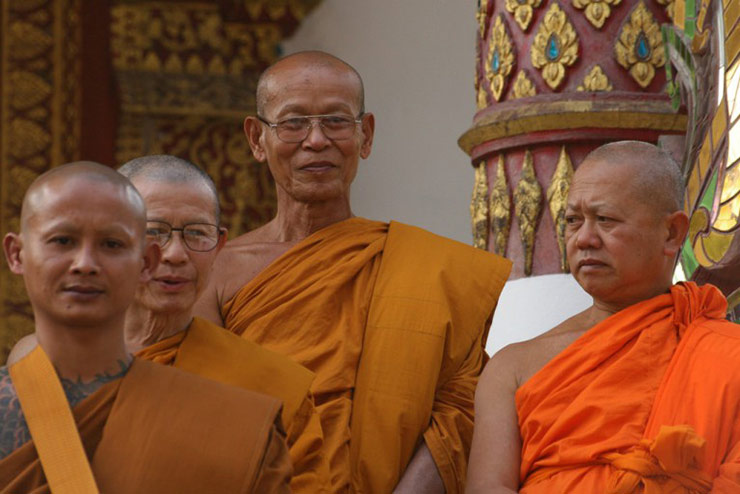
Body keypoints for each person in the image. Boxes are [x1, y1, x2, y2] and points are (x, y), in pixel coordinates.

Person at [195, 50, 512, 493]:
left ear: (365, 135)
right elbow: (202, 410)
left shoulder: (431, 270)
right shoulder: (215, 272)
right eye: (293, 123)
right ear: (256, 139)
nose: (317, 140)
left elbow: (460, 407)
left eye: (337, 121)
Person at [0, 162, 291, 493]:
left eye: (112, 244)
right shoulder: (19, 383)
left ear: (144, 263)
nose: (84, 264)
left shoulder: (241, 421)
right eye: (62, 240)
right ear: (17, 255)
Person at [467, 141, 740, 493]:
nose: (584, 239)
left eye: (605, 220)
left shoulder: (726, 355)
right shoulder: (512, 367)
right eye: (572, 220)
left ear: (671, 232)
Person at [118, 154, 331, 493]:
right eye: (153, 232)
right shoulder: (54, 368)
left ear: (219, 247)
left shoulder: (271, 387)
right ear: (110, 242)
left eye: (196, 234)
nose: (175, 254)